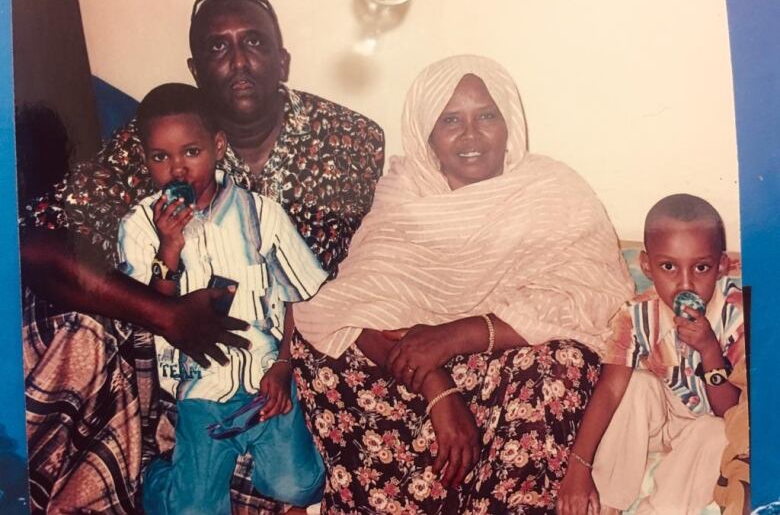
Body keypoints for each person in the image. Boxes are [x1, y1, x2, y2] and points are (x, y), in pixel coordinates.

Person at [19, 0, 384, 513]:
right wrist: (164, 313)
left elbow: (336, 278)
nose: (238, 60)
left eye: (254, 42)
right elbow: (33, 239)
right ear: (194, 68)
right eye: (217, 48)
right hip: (181, 366)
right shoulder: (155, 141)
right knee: (78, 326)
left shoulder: (349, 139)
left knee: (301, 478)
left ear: (282, 60)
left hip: (278, 348)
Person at [292, 54, 635, 514]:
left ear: (509, 121)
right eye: (450, 119)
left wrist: (456, 335)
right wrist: (439, 390)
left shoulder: (553, 189)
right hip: (405, 392)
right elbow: (353, 306)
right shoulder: (405, 190)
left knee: (561, 362)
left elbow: (592, 303)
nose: (471, 135)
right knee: (319, 342)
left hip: (501, 392)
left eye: (486, 116)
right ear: (427, 133)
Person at [118, 83, 327, 513]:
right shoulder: (139, 225)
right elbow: (152, 315)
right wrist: (169, 248)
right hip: (200, 389)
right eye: (161, 157)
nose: (178, 170)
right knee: (194, 509)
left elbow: (299, 298)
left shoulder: (261, 214)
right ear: (146, 161)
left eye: (191, 152)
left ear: (217, 146)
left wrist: (284, 366)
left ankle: (253, 458)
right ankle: (158, 482)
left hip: (264, 381)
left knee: (302, 486)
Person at [556, 194, 744, 515]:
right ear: (647, 266)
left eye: (701, 268)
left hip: (710, 421)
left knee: (716, 433)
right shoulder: (636, 314)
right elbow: (611, 389)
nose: (685, 284)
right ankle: (606, 504)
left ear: (721, 266)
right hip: (662, 421)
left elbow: (731, 413)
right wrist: (578, 467)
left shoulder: (737, 314)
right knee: (636, 385)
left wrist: (710, 350)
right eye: (668, 267)